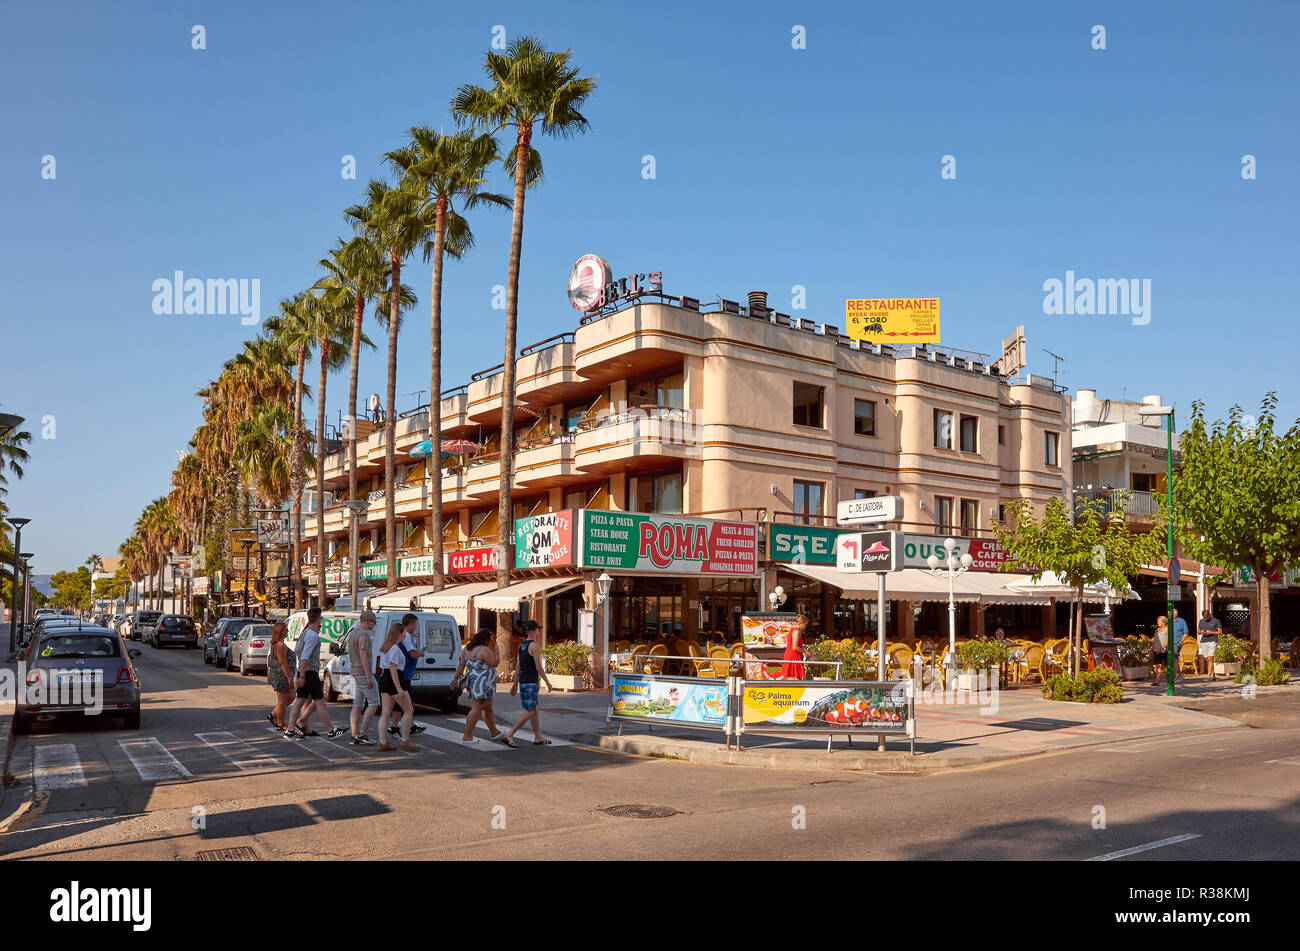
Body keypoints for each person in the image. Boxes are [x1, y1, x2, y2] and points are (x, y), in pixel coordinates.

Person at [284, 607, 345, 740]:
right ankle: (330, 730)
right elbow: (305, 656)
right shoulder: (312, 636)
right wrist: (303, 675)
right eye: (320, 619)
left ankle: (290, 729)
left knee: (300, 701)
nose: (321, 623)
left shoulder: (305, 633)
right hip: (310, 673)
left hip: (305, 671)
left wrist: (301, 670)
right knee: (320, 701)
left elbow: (298, 651)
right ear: (317, 619)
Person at [452, 629, 514, 747]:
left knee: (488, 708)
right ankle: (467, 736)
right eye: (490, 639)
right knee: (477, 708)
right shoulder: (483, 650)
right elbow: (494, 663)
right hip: (483, 683)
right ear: (485, 639)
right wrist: (496, 650)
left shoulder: (466, 649)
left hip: (474, 681)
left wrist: (455, 678)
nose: (491, 641)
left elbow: (461, 665)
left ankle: (494, 732)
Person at [502, 620, 554, 746]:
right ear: (534, 631)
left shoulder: (521, 646)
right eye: (538, 630)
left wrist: (515, 684)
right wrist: (548, 683)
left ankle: (538, 737)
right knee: (530, 711)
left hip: (523, 682)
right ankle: (510, 734)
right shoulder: (534, 646)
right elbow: (539, 667)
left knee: (535, 708)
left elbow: (518, 666)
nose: (539, 632)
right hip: (531, 682)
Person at [376, 621, 418, 752]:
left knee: (385, 713)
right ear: (399, 633)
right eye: (404, 632)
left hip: (384, 679)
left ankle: (383, 742)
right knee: (409, 710)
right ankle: (405, 740)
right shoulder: (394, 648)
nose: (405, 635)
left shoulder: (386, 647)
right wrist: (399, 688)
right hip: (394, 679)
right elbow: (393, 669)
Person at [386, 613, 427, 738]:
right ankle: (398, 729)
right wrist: (421, 653)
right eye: (415, 624)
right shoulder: (407, 637)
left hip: (405, 673)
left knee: (402, 703)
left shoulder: (406, 636)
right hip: (404, 673)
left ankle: (410, 726)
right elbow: (412, 654)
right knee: (405, 704)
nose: (416, 627)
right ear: (409, 624)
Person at [347, 610, 379, 745]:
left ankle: (355, 735)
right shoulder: (364, 634)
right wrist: (368, 675)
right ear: (367, 621)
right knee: (374, 702)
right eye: (373, 622)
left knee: (357, 704)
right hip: (362, 672)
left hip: (354, 670)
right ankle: (363, 733)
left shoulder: (353, 633)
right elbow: (363, 655)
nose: (374, 625)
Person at [265, 621, 296, 730]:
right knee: (283, 701)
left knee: (291, 697)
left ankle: (273, 715)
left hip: (278, 675)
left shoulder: (276, 644)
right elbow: (283, 663)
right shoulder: (280, 645)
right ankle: (280, 723)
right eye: (286, 630)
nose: (288, 631)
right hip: (282, 676)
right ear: (281, 632)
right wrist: (289, 678)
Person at [1197, 609, 1223, 680]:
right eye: (1204, 618)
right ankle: (1213, 675)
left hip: (1213, 641)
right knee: (1207, 659)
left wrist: (1211, 632)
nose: (1205, 619)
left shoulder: (1216, 621)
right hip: (1204, 641)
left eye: (1207, 618)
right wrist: (1202, 632)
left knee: (1210, 658)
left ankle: (1208, 676)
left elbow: (1220, 632)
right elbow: (1198, 631)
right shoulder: (1201, 621)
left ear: (1209, 615)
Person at [782, 614, 807, 680]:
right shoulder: (796, 631)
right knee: (794, 678)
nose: (805, 627)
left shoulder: (794, 630)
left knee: (792, 678)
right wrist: (805, 651)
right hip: (793, 656)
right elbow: (795, 647)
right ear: (802, 623)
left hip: (793, 655)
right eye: (805, 625)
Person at [1172, 609, 1190, 681]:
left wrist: (1181, 641)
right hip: (1168, 643)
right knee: (1173, 659)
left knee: (1174, 659)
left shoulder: (1182, 621)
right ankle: (1180, 674)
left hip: (1177, 642)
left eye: (1172, 614)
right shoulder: (1168, 621)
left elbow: (1186, 633)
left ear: (1176, 614)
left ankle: (1174, 677)